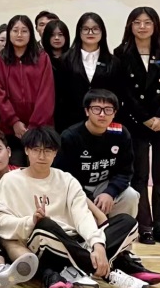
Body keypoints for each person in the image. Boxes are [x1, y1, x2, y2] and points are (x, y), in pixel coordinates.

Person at [0, 127, 154, 288]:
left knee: (127, 222)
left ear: (55, 153)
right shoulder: (10, 180)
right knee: (45, 223)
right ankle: (111, 275)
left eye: (48, 150)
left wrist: (97, 244)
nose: (42, 156)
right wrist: (30, 221)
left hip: (74, 242)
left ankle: (75, 270)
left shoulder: (67, 179)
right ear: (26, 150)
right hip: (40, 242)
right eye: (36, 150)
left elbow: (82, 215)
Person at [115, 7, 160, 245]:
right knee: (139, 176)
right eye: (137, 22)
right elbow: (125, 91)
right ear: (130, 26)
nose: (142, 27)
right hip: (136, 122)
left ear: (155, 25)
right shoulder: (121, 53)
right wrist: (145, 118)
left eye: (147, 22)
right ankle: (144, 227)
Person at [56, 90, 139, 219]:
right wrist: (89, 199)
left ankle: (121, 229)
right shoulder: (70, 137)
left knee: (131, 195)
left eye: (108, 110)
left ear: (114, 113)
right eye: (96, 109)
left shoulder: (121, 133)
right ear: (87, 111)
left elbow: (125, 171)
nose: (102, 114)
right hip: (77, 188)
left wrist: (110, 193)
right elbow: (62, 176)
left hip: (104, 186)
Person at [57, 12, 137, 133]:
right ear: (79, 32)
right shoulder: (65, 60)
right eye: (86, 29)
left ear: (102, 32)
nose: (90, 33)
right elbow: (60, 95)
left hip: (104, 124)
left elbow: (118, 95)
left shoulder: (113, 62)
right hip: (72, 123)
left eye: (95, 29)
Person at [0, 14, 55, 163]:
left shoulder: (42, 58)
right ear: (9, 33)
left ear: (31, 34)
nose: (19, 35)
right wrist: (14, 122)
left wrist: (34, 126)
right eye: (15, 30)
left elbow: (46, 93)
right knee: (15, 169)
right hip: (10, 129)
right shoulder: (0, 60)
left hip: (40, 128)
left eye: (24, 31)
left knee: (38, 168)